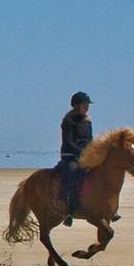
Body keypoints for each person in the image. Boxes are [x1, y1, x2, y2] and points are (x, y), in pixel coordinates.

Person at [59, 91, 94, 227]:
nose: (87, 107)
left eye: (87, 104)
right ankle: (68, 209)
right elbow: (68, 142)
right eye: (85, 104)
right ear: (76, 105)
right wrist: (81, 152)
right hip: (70, 155)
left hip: (86, 155)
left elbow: (90, 140)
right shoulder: (68, 120)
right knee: (72, 172)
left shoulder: (87, 120)